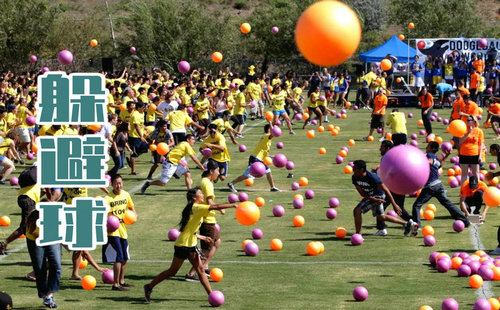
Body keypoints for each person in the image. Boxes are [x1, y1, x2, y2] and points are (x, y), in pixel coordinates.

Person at [143, 187, 237, 303]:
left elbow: (188, 230)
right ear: (194, 197)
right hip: (185, 246)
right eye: (200, 194)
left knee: (184, 271)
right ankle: (211, 295)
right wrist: (232, 205)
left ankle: (149, 287)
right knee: (192, 270)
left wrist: (202, 237)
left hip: (185, 244)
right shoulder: (197, 207)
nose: (202, 195)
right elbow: (215, 207)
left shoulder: (192, 208)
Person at [351, 160, 418, 236]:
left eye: (354, 168)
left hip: (379, 195)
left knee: (357, 211)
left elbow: (386, 190)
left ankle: (358, 234)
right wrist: (374, 199)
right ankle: (408, 224)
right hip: (373, 197)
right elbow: (362, 193)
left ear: (361, 169)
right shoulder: (354, 178)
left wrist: (394, 204)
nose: (352, 169)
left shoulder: (372, 177)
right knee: (381, 217)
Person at [411, 142, 470, 227]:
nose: (426, 148)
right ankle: (465, 221)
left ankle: (417, 226)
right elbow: (439, 165)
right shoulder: (436, 158)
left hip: (430, 186)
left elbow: (430, 162)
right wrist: (446, 156)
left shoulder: (429, 155)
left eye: (428, 146)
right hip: (438, 185)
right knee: (448, 204)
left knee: (417, 205)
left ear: (431, 149)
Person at [184, 162, 224, 281]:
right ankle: (191, 274)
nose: (218, 173)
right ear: (211, 171)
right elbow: (210, 203)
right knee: (206, 250)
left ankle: (205, 266)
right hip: (208, 220)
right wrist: (221, 208)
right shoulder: (208, 184)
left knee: (217, 242)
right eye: (217, 171)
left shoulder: (204, 181)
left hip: (208, 218)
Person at [102, 174, 137, 291]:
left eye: (120, 183)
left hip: (123, 231)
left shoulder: (126, 195)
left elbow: (132, 208)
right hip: (112, 232)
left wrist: (134, 216)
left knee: (125, 257)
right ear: (112, 184)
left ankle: (121, 281)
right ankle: (115, 284)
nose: (119, 185)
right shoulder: (108, 199)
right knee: (119, 257)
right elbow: (102, 216)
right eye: (116, 183)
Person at [373, 141, 412, 236]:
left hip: (393, 187)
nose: (380, 149)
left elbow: (389, 173)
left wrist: (376, 174)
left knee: (380, 207)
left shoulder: (388, 158)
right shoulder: (394, 156)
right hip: (400, 186)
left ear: (387, 148)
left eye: (382, 147)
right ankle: (413, 222)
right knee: (399, 208)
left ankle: (382, 229)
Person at [227, 124, 280, 193]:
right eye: (271, 129)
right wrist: (270, 122)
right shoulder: (266, 136)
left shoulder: (267, 140)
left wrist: (272, 156)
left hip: (259, 159)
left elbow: (264, 153)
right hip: (255, 159)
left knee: (268, 171)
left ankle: (272, 187)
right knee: (247, 175)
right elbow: (273, 134)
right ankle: (231, 183)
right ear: (269, 130)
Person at [0, 165, 40, 254]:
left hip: (23, 198)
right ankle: (3, 244)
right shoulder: (38, 176)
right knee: (26, 227)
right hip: (29, 200)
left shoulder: (31, 178)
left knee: (26, 226)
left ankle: (3, 244)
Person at [25, 209, 61, 308]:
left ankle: (50, 294)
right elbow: (39, 237)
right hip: (36, 240)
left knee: (56, 265)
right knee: (40, 268)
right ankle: (44, 295)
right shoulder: (34, 222)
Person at [458, 115, 484, 189]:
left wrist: (480, 156)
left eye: (469, 120)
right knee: (464, 174)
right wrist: (468, 133)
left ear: (474, 121)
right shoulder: (463, 129)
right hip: (464, 154)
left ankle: (477, 190)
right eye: (467, 120)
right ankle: (463, 191)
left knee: (476, 173)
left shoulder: (479, 131)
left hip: (474, 154)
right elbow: (460, 141)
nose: (468, 122)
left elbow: (480, 144)